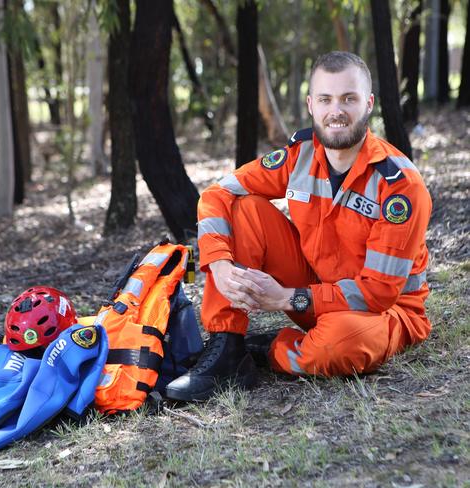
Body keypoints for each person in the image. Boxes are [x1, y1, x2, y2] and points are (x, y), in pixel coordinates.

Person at [166, 51, 432, 401]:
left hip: (383, 311)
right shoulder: (299, 156)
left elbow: (378, 292)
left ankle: (270, 349)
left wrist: (287, 298)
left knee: (339, 345)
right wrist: (221, 265)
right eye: (326, 99)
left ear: (368, 104)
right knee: (244, 208)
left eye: (348, 99)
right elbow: (217, 193)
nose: (336, 111)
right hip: (316, 289)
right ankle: (227, 348)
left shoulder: (400, 186)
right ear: (311, 104)